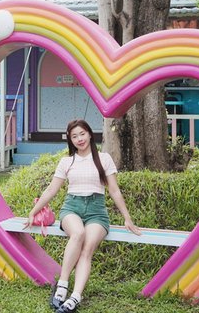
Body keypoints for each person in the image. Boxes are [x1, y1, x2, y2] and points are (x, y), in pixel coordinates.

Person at [25, 119, 140, 312]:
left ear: (89, 134)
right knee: (78, 233)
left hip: (97, 211)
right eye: (74, 136)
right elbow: (52, 190)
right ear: (70, 140)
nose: (79, 139)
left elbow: (114, 190)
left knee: (87, 249)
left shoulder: (104, 159)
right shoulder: (67, 161)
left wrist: (127, 218)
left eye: (82, 134)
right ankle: (62, 285)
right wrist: (33, 212)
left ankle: (75, 297)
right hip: (72, 208)